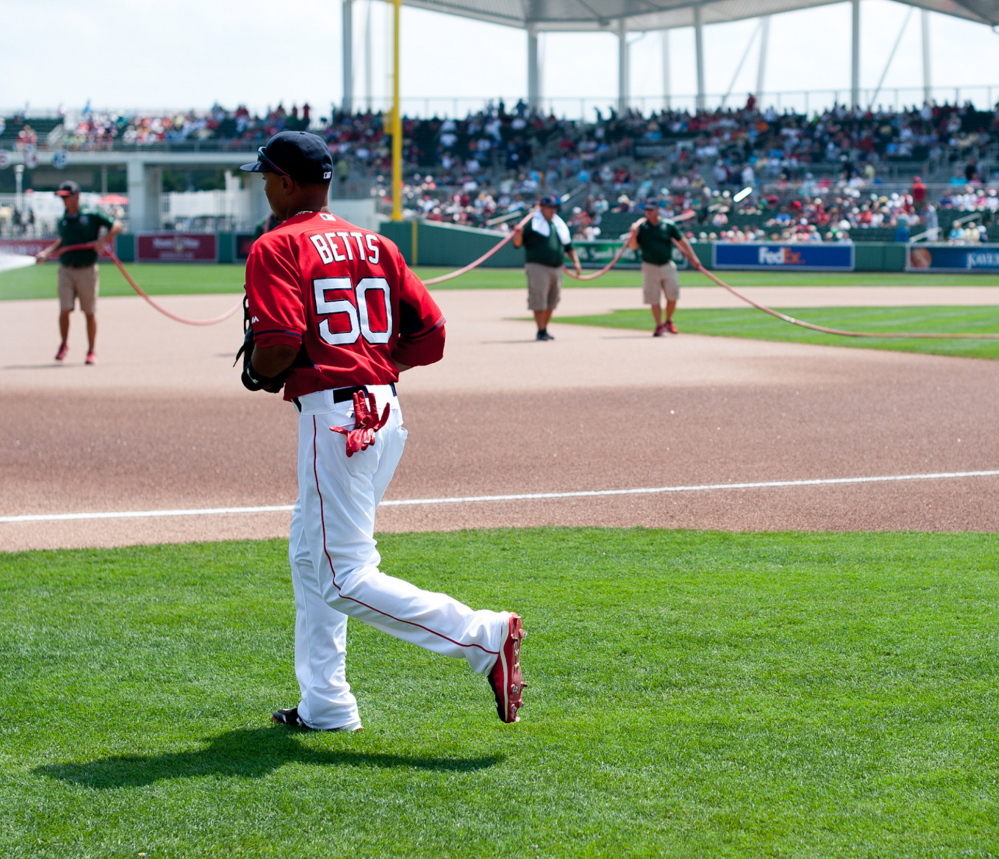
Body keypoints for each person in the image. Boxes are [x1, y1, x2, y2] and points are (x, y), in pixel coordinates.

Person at [239, 131, 525, 731]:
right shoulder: (376, 244)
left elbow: (278, 344)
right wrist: (374, 365)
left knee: (344, 577)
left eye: (265, 176)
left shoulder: (276, 245)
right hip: (383, 413)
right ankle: (327, 704)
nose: (261, 186)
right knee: (309, 556)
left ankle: (482, 638)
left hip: (336, 419)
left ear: (288, 181)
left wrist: (260, 376)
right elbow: (433, 339)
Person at [35, 180, 122, 365]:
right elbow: (63, 242)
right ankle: (64, 344)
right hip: (66, 269)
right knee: (64, 309)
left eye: (66, 197)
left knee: (89, 312)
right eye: (62, 198)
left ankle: (91, 350)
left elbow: (117, 226)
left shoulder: (91, 214)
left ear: (76, 196)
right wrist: (47, 253)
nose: (63, 201)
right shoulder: (64, 219)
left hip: (87, 269)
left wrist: (103, 241)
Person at [511, 195, 581, 341]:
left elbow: (568, 246)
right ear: (542, 207)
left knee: (552, 300)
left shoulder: (558, 225)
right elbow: (518, 244)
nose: (553, 210)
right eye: (550, 207)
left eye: (555, 208)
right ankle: (540, 330)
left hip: (556, 266)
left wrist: (575, 262)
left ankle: (544, 329)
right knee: (539, 298)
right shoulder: (532, 223)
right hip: (537, 266)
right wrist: (518, 233)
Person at [627, 199, 696, 336]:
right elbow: (634, 247)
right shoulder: (642, 227)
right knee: (653, 298)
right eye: (646, 210)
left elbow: (682, 241)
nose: (648, 212)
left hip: (666, 264)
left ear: (657, 210)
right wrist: (633, 235)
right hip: (649, 266)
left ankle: (668, 320)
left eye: (651, 210)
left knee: (673, 295)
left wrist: (694, 258)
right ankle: (659, 325)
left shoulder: (668, 225)